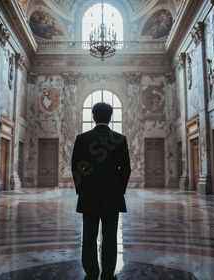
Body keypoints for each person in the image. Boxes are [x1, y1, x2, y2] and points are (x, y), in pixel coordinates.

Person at [71, 102, 131, 280]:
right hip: (112, 196)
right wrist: (118, 190)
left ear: (93, 117)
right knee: (110, 237)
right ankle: (107, 274)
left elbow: (75, 167)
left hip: (88, 195)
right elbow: (126, 169)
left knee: (89, 237)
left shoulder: (82, 139)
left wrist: (82, 189)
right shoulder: (119, 139)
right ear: (110, 117)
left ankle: (91, 273)